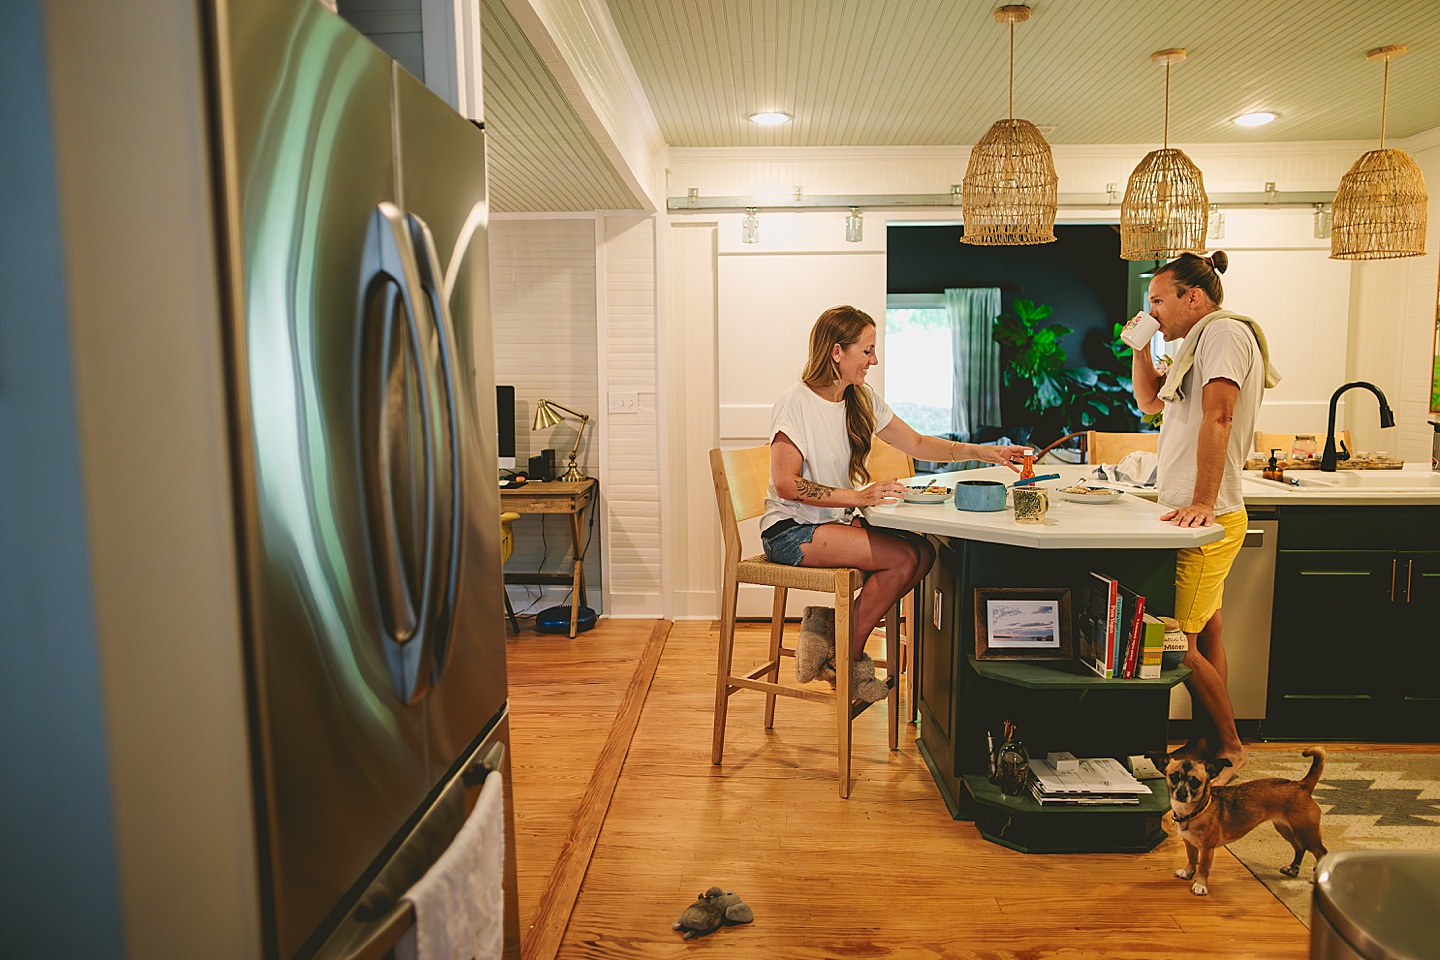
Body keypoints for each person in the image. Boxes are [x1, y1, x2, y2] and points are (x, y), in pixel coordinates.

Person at [762, 305, 1029, 701]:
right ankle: (845, 661)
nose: (874, 360)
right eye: (866, 351)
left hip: (831, 522)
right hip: (790, 530)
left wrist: (986, 452)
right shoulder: (796, 401)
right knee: (903, 559)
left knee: (923, 553)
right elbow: (786, 484)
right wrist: (859, 496)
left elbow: (917, 443)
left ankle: (830, 632)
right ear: (837, 352)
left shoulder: (860, 398)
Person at [1129, 251, 1281, 784]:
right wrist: (1141, 345)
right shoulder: (1196, 345)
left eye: (1157, 302)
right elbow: (1148, 402)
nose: (1153, 310)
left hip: (1206, 517)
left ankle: (1233, 748)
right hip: (1188, 513)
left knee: (1179, 642)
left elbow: (1220, 415)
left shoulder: (1222, 335)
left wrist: (1201, 501)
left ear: (1193, 296)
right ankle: (1208, 737)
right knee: (1207, 630)